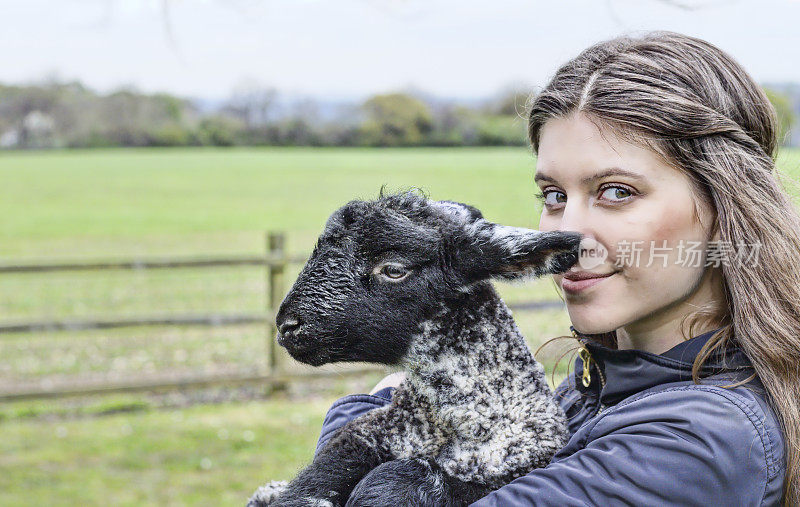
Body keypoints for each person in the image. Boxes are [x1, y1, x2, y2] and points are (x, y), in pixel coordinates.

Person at [313, 31, 797, 505]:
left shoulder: (698, 443)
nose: (566, 236)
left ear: (724, 208)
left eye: (616, 191)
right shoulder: (597, 386)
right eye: (554, 195)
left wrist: (376, 408)